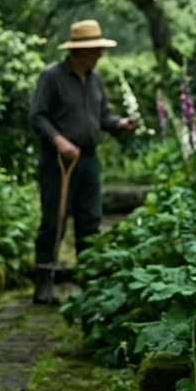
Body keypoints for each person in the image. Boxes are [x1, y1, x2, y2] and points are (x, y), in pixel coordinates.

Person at [28, 20, 138, 304]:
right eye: (95, 50)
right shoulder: (51, 77)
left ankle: (89, 287)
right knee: (54, 221)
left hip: (88, 159)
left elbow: (102, 118)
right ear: (79, 51)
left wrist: (120, 123)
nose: (100, 55)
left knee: (90, 222)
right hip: (58, 161)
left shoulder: (95, 80)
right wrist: (59, 140)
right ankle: (44, 286)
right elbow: (38, 115)